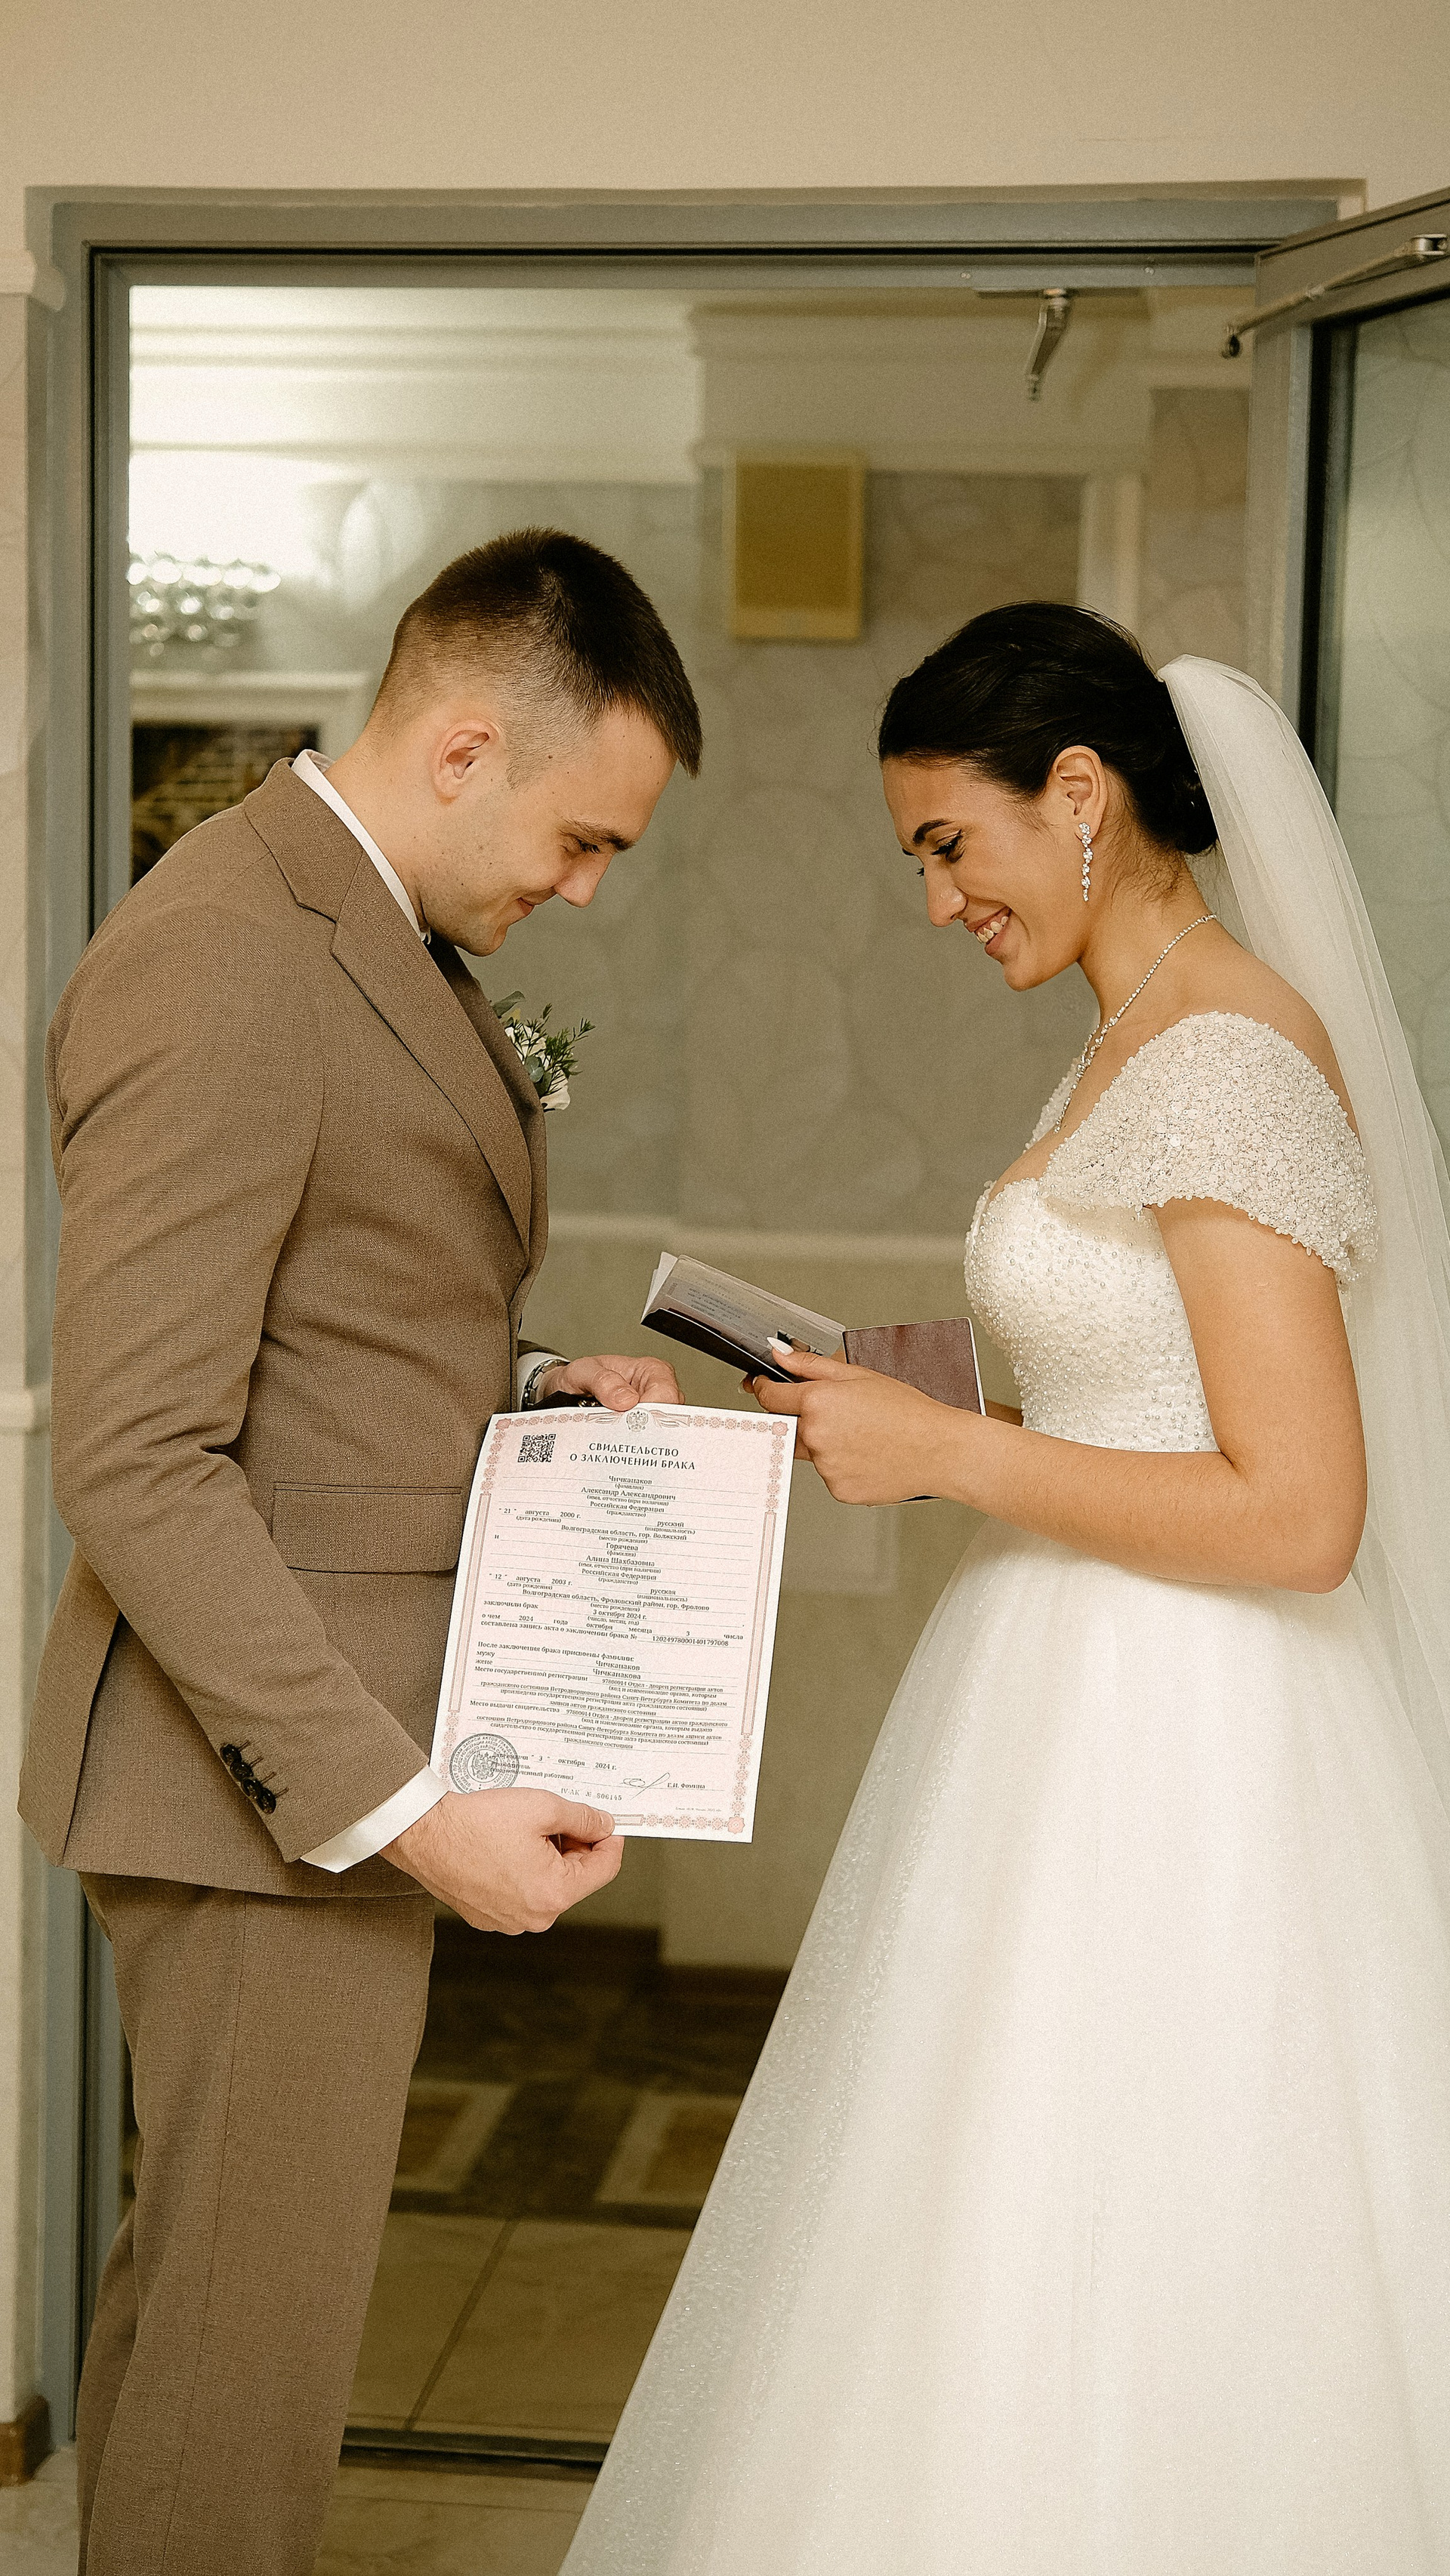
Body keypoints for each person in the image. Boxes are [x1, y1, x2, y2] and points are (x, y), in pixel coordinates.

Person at [562, 605, 1450, 2574]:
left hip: (1189, 1735)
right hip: (1060, 1695)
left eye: (950, 844)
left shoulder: (1225, 1059)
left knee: (1142, 2200)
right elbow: (1138, 1381)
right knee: (980, 2199)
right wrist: (885, 1390)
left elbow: (1302, 1510)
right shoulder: (1134, 1040)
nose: (938, 900)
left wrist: (948, 1455)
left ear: (1081, 790)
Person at [19, 527, 699, 2576]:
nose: (586, 888)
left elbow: (321, 1337)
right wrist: (398, 1807)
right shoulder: (231, 948)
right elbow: (138, 1450)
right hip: (266, 1789)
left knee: (216, 2340)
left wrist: (528, 1389)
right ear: (467, 744)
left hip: (310, 1764)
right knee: (243, 2374)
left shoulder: (365, 934)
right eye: (584, 838)